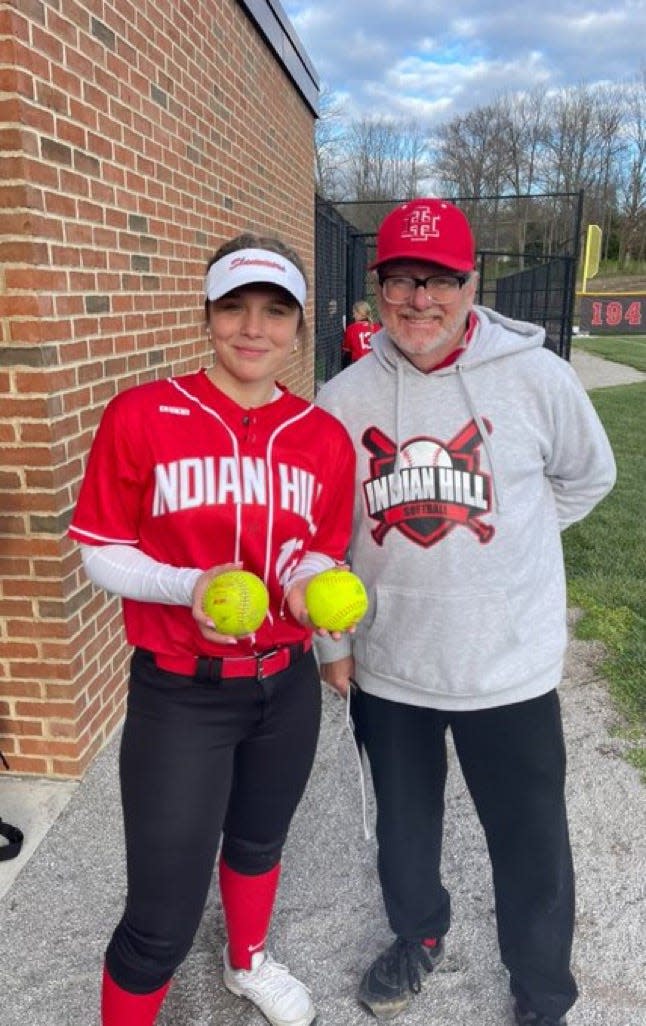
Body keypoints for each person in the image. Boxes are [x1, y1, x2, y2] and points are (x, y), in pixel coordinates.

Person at [315, 198, 616, 1026]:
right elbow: (323, 535)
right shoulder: (344, 400)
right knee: (404, 833)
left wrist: (513, 542)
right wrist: (330, 643)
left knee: (531, 844)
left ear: (470, 282)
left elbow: (590, 477)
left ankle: (543, 988)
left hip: (506, 662)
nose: (420, 300)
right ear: (378, 287)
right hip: (392, 662)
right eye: (402, 280)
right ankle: (419, 936)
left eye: (440, 280)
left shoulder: (538, 377)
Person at [68, 232, 356, 1026]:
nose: (253, 329)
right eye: (234, 308)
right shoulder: (143, 414)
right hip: (181, 694)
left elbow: (316, 548)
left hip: (285, 687)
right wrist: (187, 584)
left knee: (259, 843)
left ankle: (247, 963)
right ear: (206, 316)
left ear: (300, 326)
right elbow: (100, 550)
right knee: (160, 918)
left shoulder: (323, 437)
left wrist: (306, 586)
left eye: (275, 311)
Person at [342, 299, 380, 366]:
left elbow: (347, 350)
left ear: (360, 313)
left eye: (354, 313)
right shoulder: (377, 327)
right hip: (375, 363)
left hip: (359, 363)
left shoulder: (351, 328)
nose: (353, 316)